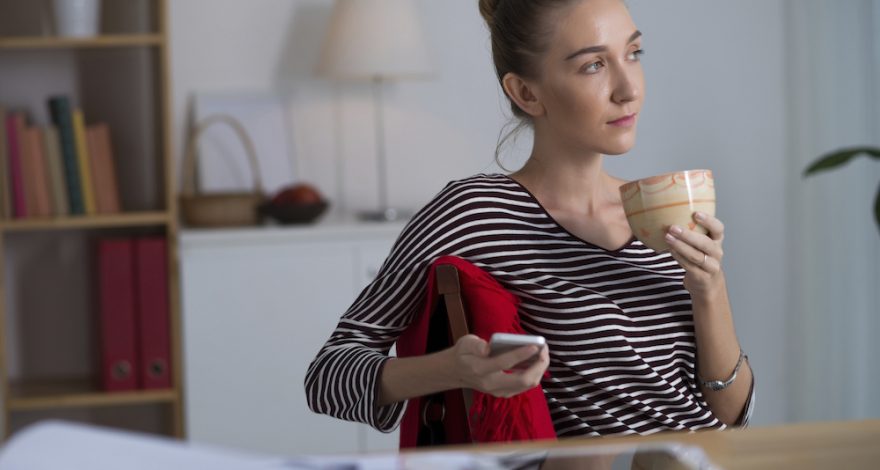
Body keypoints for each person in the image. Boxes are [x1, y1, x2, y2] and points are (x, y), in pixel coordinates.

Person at [305, 0, 754, 438]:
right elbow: (328, 376)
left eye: (633, 53)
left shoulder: (659, 211)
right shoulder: (474, 212)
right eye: (593, 65)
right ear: (525, 92)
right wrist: (451, 369)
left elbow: (732, 416)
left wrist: (709, 289)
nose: (629, 88)